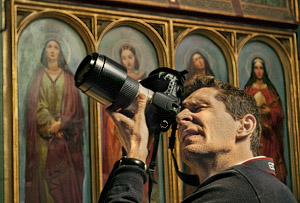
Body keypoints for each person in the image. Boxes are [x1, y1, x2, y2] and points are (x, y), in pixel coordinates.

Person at [102, 76, 296, 202]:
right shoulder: (256, 186)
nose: (179, 118)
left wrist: (135, 157)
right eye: (181, 111)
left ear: (244, 126)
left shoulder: (241, 188)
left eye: (198, 108)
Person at [25, 39, 85, 203]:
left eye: (55, 47)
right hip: (44, 141)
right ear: (44, 51)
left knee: (65, 185)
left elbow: (76, 111)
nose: (52, 50)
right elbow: (36, 107)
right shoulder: (38, 79)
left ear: (60, 52)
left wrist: (63, 124)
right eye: (49, 47)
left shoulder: (69, 79)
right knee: (45, 183)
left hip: (66, 141)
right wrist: (51, 124)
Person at [102, 44, 146, 184]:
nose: (128, 61)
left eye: (130, 57)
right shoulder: (119, 81)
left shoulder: (142, 78)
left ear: (135, 58)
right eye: (124, 58)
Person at [244, 57, 287, 183]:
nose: (259, 71)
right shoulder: (249, 90)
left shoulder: (270, 90)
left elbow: (280, 112)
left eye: (261, 68)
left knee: (272, 160)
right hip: (257, 135)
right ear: (252, 70)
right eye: (256, 68)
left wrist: (269, 111)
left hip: (271, 135)